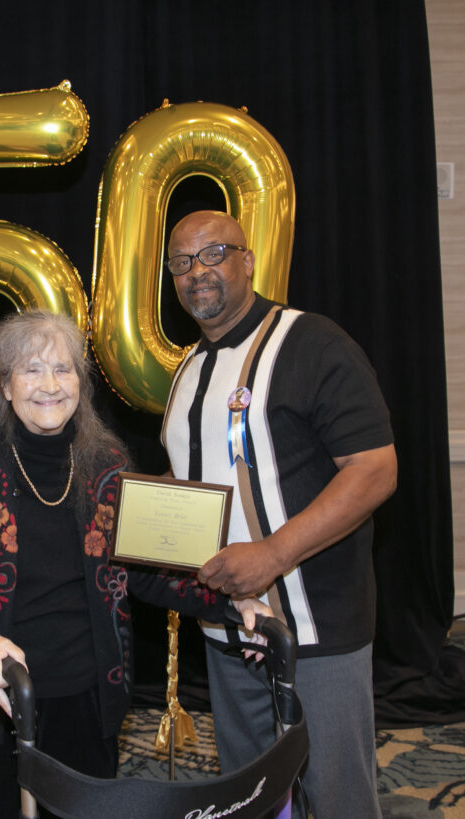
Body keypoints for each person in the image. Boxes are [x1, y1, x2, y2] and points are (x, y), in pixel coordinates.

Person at [0, 309, 270, 818]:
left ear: (80, 384)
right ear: (7, 386)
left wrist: (233, 600)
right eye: (32, 370)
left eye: (63, 370)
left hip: (86, 694)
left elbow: (148, 567)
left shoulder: (106, 461)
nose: (49, 385)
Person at [160, 210, 398, 819]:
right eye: (181, 262)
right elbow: (196, 483)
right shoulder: (187, 370)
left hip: (316, 626)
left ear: (248, 259)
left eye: (213, 254)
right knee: (250, 797)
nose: (197, 273)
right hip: (226, 628)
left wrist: (273, 554)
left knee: (339, 796)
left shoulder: (312, 341)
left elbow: (374, 469)